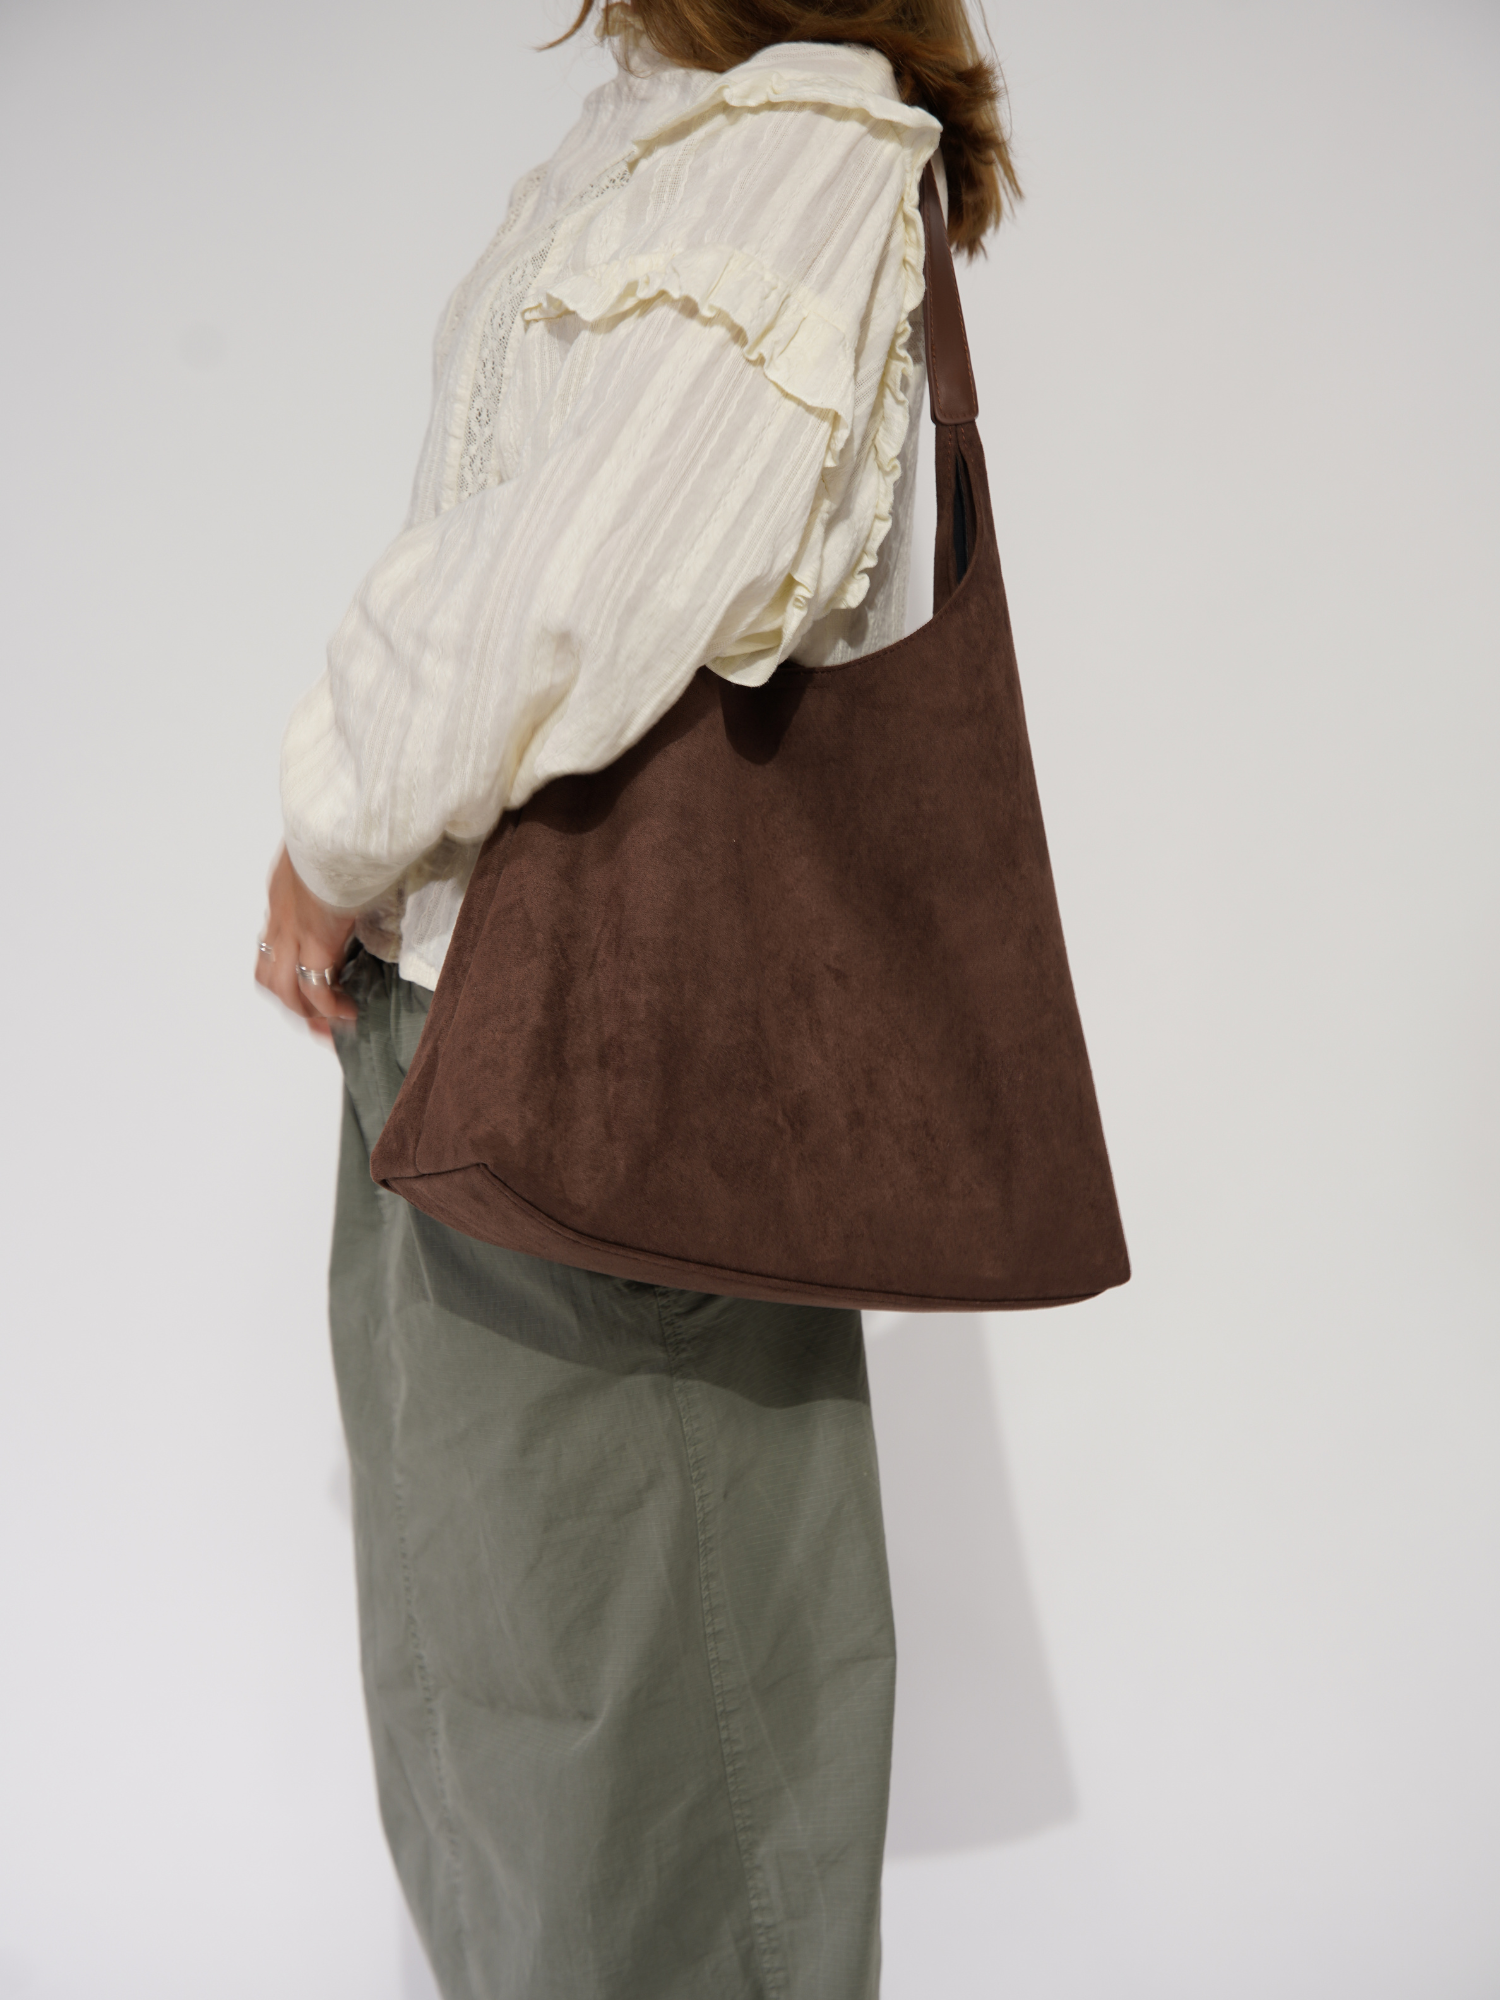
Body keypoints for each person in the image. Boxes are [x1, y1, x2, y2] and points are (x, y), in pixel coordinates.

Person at [256, 4, 1018, 1993]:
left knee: (650, 1782)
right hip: (451, 1023)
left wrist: (331, 827)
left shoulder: (808, 141)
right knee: (502, 1740)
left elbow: (566, 589)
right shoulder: (658, 130)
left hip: (610, 1067)